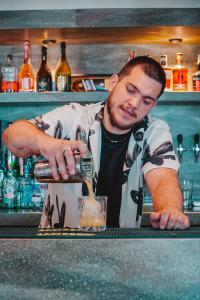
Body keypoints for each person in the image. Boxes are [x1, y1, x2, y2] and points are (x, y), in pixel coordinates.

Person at [3, 56, 190, 230]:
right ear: (113, 82)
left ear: (153, 105)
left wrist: (170, 210)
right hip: (60, 247)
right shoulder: (74, 117)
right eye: (131, 90)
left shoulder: (153, 131)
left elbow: (163, 177)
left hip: (124, 250)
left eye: (146, 100)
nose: (134, 103)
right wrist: (45, 143)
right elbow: (13, 136)